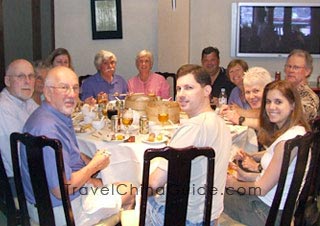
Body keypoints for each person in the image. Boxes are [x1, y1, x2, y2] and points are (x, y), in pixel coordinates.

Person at [21, 66, 134, 226]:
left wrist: (87, 162)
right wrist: (94, 166)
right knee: (130, 189)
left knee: (105, 181)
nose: (72, 94)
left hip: (45, 202)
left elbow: (64, 154)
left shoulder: (48, 116)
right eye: (64, 87)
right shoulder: (48, 130)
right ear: (47, 92)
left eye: (75, 88)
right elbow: (61, 190)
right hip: (62, 211)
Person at [145, 64, 232, 225]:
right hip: (209, 216)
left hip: (184, 218)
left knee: (136, 198)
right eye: (178, 89)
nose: (181, 95)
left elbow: (155, 183)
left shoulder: (193, 127)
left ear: (207, 91)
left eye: (189, 88)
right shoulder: (220, 122)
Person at [223, 80, 311, 226]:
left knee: (209, 193)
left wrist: (233, 184)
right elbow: (280, 177)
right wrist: (246, 175)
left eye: (278, 102)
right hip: (278, 207)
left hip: (265, 212)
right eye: (268, 102)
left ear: (293, 105)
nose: (271, 107)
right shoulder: (299, 132)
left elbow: (261, 189)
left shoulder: (286, 143)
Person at [0, 59, 38, 193]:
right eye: (21, 76)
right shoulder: (4, 107)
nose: (27, 81)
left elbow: (45, 121)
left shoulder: (26, 100)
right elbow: (18, 154)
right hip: (16, 180)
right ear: (7, 81)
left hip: (28, 169)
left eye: (31, 76)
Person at [284, 49, 319, 121]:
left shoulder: (309, 98)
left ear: (307, 71)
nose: (291, 70)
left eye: (296, 67)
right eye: (288, 66)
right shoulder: (283, 91)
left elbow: (295, 120)